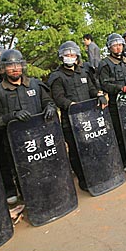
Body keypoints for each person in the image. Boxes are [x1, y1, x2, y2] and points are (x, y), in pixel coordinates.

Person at [0, 48, 57, 203]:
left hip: (41, 138)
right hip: (15, 144)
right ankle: (32, 201)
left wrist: (50, 107)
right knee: (24, 174)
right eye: (10, 65)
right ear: (3, 68)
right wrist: (12, 116)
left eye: (18, 65)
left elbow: (48, 101)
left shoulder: (35, 84)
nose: (15, 68)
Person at [47, 41, 108, 191]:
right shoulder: (57, 76)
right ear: (61, 57)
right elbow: (58, 98)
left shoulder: (83, 72)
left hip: (89, 117)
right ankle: (83, 179)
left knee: (93, 146)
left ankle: (97, 174)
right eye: (67, 55)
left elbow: (92, 89)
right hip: (71, 120)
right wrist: (72, 105)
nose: (70, 57)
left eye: (72, 54)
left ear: (77, 56)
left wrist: (99, 95)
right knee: (75, 150)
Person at [97, 33, 126, 171]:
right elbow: (104, 84)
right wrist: (120, 88)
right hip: (116, 105)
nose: (117, 48)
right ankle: (124, 162)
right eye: (114, 46)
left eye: (119, 45)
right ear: (109, 47)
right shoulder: (105, 64)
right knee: (120, 134)